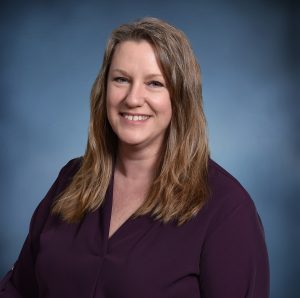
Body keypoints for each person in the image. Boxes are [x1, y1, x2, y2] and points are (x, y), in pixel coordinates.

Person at [0, 17, 269, 297]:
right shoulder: (70, 180)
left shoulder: (227, 209)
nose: (132, 98)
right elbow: (19, 289)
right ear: (103, 90)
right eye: (121, 79)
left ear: (180, 98)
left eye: (154, 83)